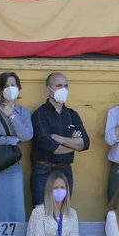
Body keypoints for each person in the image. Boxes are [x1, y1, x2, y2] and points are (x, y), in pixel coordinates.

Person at [29, 72, 88, 211]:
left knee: (63, 213)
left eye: (66, 86)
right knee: (41, 214)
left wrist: (60, 139)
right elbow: (49, 146)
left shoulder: (72, 115)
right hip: (43, 171)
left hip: (65, 171)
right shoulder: (39, 114)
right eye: (59, 86)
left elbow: (85, 143)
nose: (63, 89)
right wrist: (74, 143)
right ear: (48, 90)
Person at [0, 72, 32, 224]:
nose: (10, 89)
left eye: (13, 85)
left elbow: (27, 135)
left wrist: (11, 116)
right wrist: (12, 140)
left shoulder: (23, 113)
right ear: (0, 91)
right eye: (6, 86)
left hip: (15, 166)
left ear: (19, 87)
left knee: (15, 208)